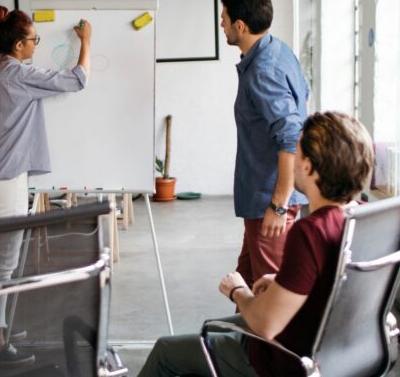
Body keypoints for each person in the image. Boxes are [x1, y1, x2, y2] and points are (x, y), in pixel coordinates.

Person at [138, 111, 375, 376]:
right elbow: (333, 283)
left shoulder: (311, 231)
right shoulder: (362, 217)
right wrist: (284, 281)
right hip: (331, 351)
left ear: (308, 167)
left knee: (166, 351)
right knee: (214, 328)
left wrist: (238, 291)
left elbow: (266, 324)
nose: (291, 161)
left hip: (281, 359)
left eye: (296, 153)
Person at [0, 6, 92, 365]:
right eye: (34, 39)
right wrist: (86, 41)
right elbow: (77, 79)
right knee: (3, 258)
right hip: (8, 178)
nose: (37, 45)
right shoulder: (19, 76)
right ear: (19, 44)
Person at [221, 0, 311, 288]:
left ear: (240, 26)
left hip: (268, 203)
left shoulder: (263, 70)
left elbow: (290, 134)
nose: (221, 24)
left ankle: (269, 338)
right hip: (262, 200)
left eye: (224, 18)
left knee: (271, 290)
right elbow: (303, 95)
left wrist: (278, 206)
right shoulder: (278, 50)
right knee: (244, 281)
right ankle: (238, 336)